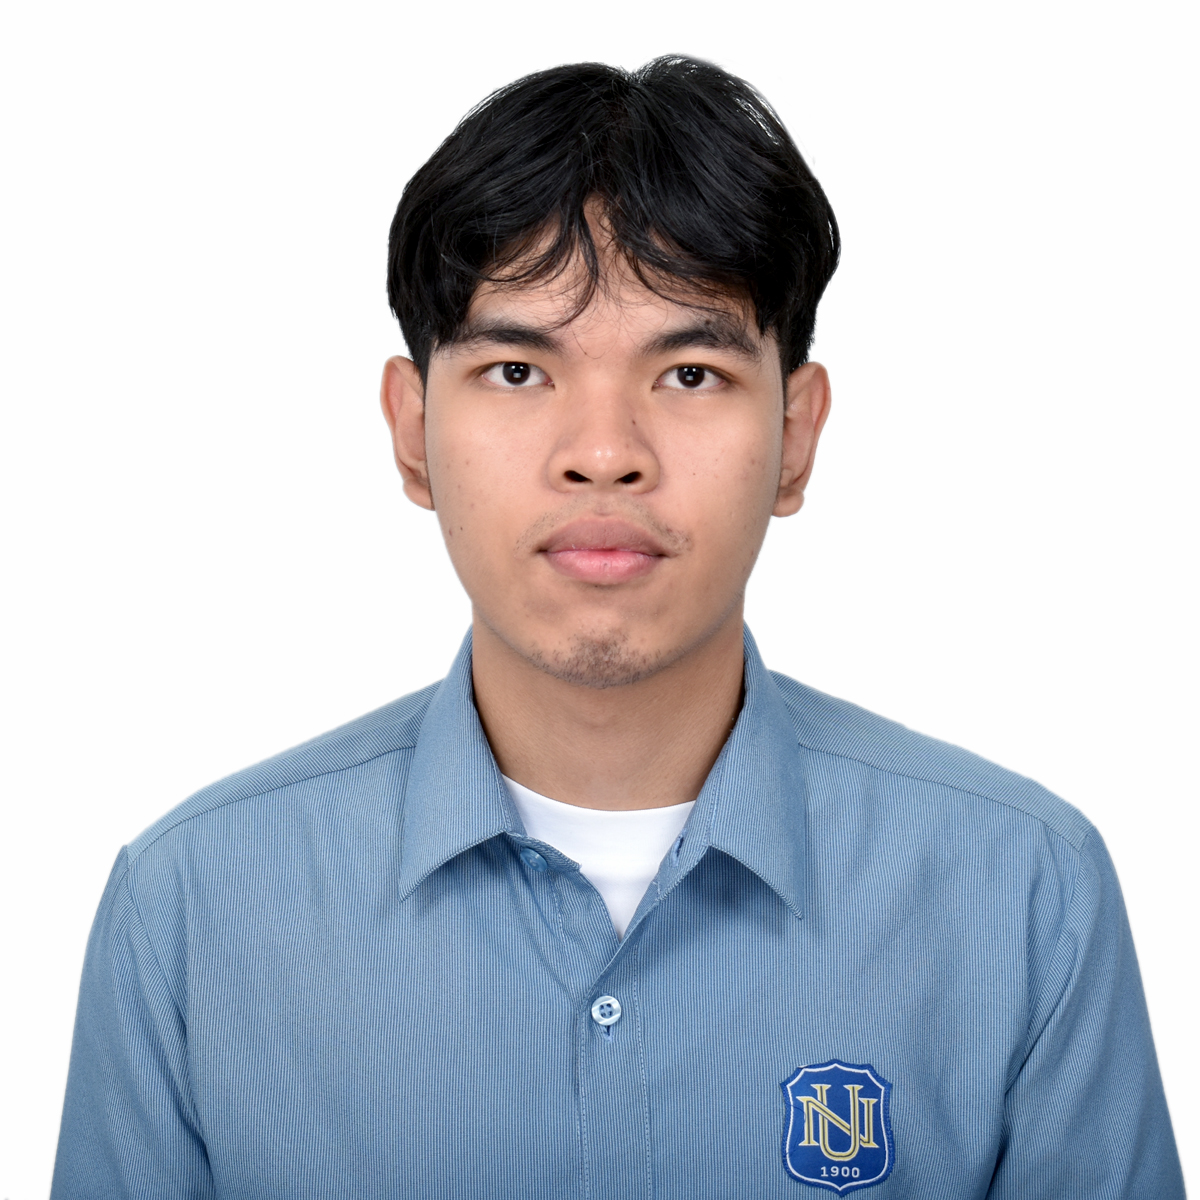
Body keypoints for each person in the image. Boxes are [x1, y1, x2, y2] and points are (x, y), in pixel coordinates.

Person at [51, 57, 1183, 1199]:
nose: (604, 452)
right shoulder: (191, 910)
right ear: (411, 431)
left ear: (795, 438)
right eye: (516, 369)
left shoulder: (1024, 896)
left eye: (689, 373)